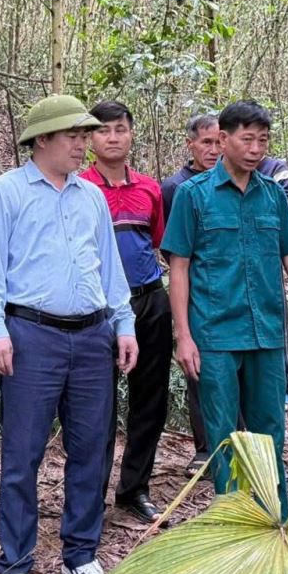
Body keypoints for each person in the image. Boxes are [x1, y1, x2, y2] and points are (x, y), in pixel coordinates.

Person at [0, 94, 138, 574]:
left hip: (92, 337)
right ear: (42, 138)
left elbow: (109, 266)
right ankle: (15, 566)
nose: (83, 144)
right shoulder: (4, 193)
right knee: (22, 455)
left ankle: (80, 554)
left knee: (92, 449)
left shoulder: (91, 197)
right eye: (73, 135)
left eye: (85, 134)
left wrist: (124, 324)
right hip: (31, 335)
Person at [161, 100, 288, 520]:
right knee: (224, 435)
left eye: (263, 140)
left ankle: (275, 518)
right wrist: (183, 336)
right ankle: (234, 520)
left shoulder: (273, 196)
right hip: (215, 336)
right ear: (224, 140)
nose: (256, 148)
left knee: (269, 431)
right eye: (247, 139)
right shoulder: (193, 195)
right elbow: (179, 267)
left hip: (267, 334)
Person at [80, 101, 172, 525]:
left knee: (149, 398)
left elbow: (157, 242)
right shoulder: (80, 188)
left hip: (149, 300)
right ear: (90, 139)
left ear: (132, 134)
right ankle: (91, 494)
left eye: (120, 129)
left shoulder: (150, 189)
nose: (113, 138)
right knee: (97, 403)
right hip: (98, 308)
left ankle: (134, 487)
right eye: (103, 130)